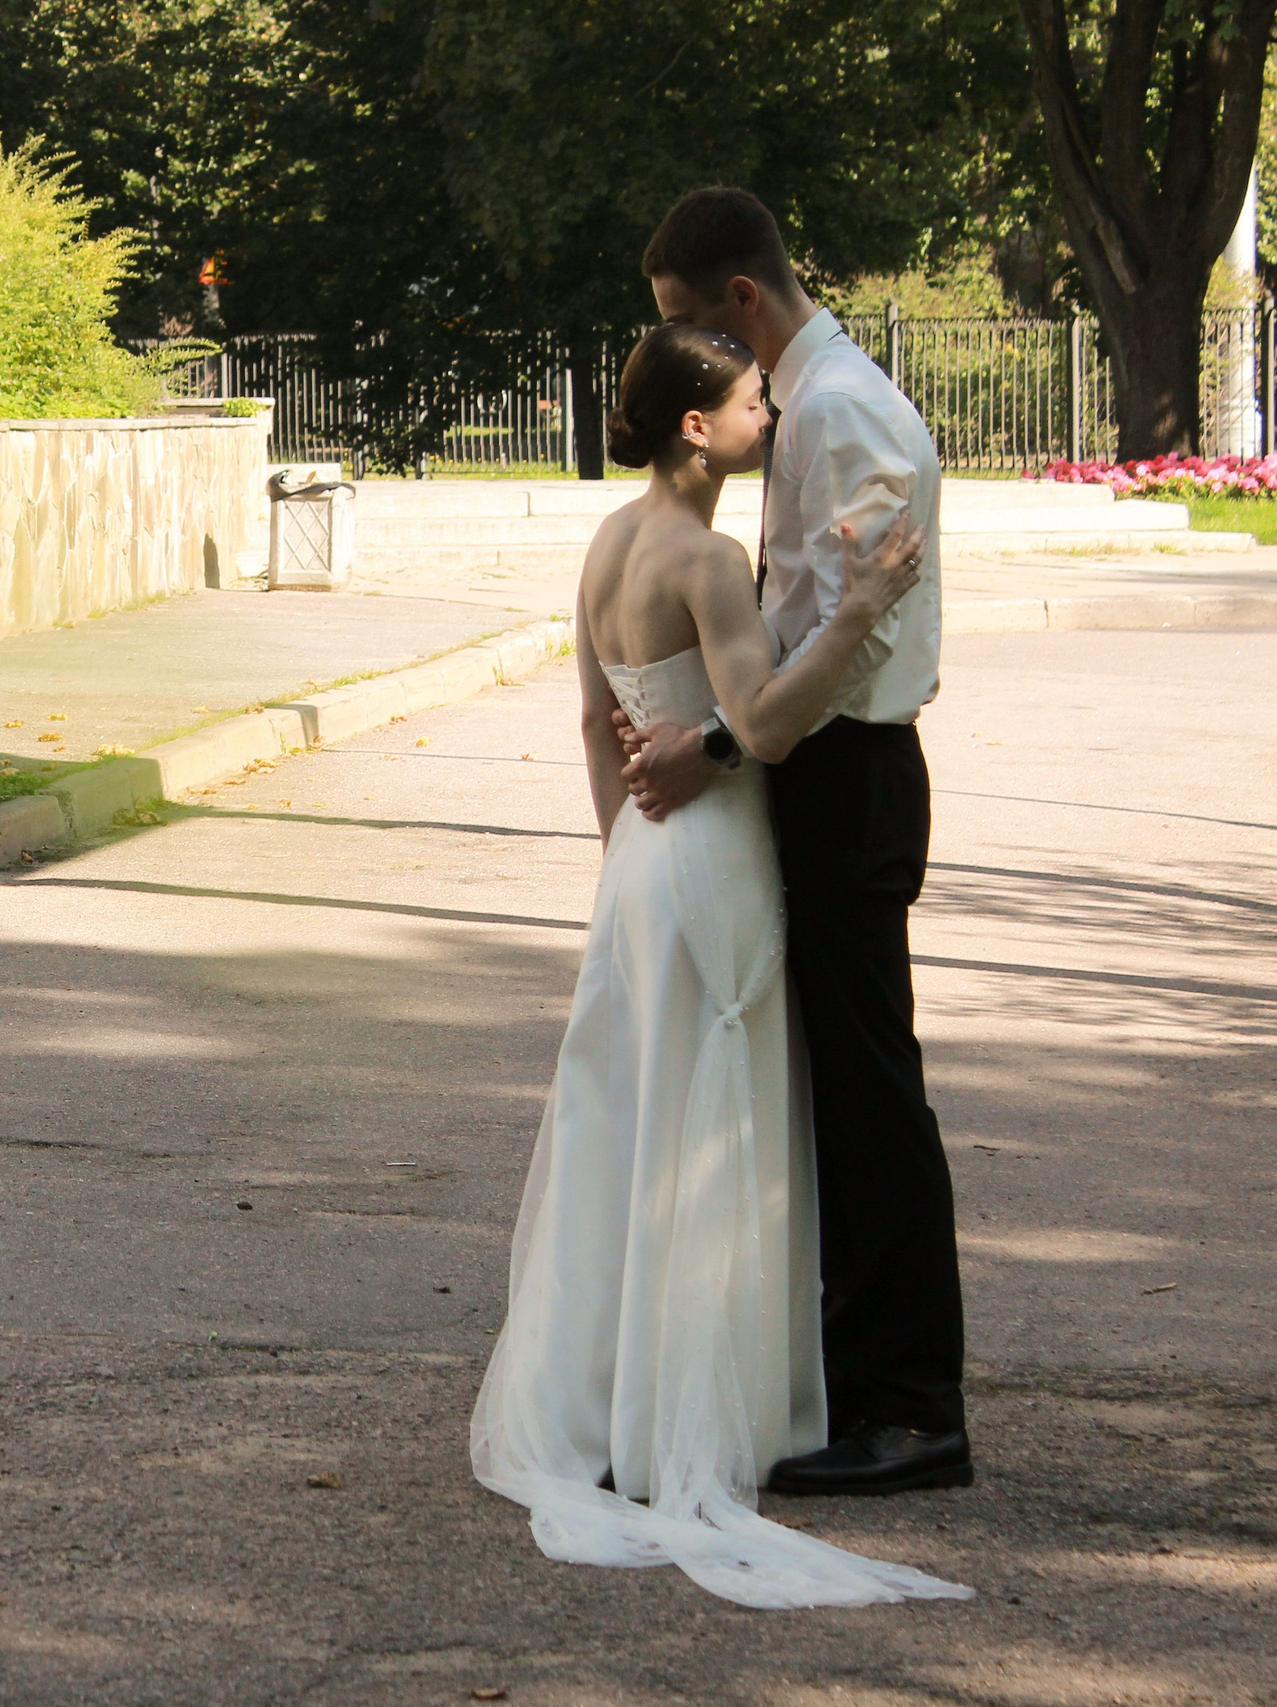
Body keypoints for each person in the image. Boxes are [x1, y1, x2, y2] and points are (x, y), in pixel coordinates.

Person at [467, 321, 969, 1609]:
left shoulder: (606, 540)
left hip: (640, 862)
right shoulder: (705, 558)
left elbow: (598, 720)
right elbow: (765, 725)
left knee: (635, 1126)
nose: (771, 416)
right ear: (699, 427)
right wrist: (860, 610)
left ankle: (607, 1404)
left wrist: (620, 856)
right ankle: (706, 1412)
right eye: (753, 401)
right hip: (715, 861)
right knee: (716, 1126)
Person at [627, 188, 969, 1497]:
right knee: (837, 1090)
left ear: (742, 298)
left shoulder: (838, 411)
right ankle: (852, 1379)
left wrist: (718, 744)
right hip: (816, 770)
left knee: (872, 1095)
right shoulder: (812, 401)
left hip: (850, 775)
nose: (690, 349)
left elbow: (854, 630)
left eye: (690, 320)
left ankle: (912, 1411)